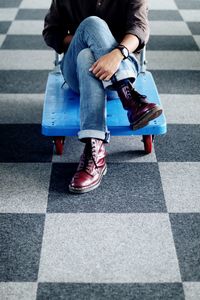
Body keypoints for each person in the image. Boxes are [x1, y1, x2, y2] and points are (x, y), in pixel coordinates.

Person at [43, 0, 162, 194]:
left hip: (122, 63)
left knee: (85, 58)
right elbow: (51, 33)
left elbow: (139, 28)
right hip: (76, 76)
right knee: (91, 25)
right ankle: (130, 97)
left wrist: (116, 54)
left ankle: (94, 149)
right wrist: (86, 38)